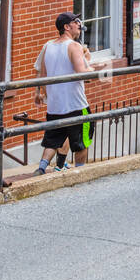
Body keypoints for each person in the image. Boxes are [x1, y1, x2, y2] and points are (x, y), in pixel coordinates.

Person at [33, 12, 107, 175]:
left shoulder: (48, 46)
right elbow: (81, 72)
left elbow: (43, 75)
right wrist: (95, 69)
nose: (79, 24)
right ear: (67, 27)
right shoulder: (74, 46)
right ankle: (80, 173)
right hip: (76, 104)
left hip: (55, 105)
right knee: (81, 142)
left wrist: (39, 94)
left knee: (52, 141)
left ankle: (41, 168)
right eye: (75, 22)